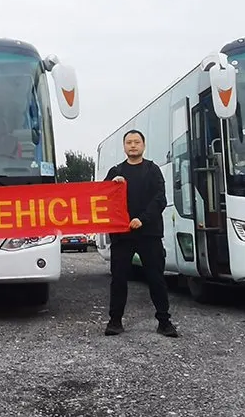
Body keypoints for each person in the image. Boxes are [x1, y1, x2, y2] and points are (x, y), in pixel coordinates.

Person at [103, 129, 179, 338]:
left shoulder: (152, 170)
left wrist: (142, 219)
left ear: (143, 145)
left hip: (149, 234)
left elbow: (160, 199)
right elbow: (102, 199)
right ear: (124, 147)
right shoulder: (115, 171)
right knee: (118, 279)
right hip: (121, 235)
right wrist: (111, 185)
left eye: (137, 142)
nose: (133, 145)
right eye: (129, 142)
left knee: (156, 278)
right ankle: (115, 321)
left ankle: (164, 322)